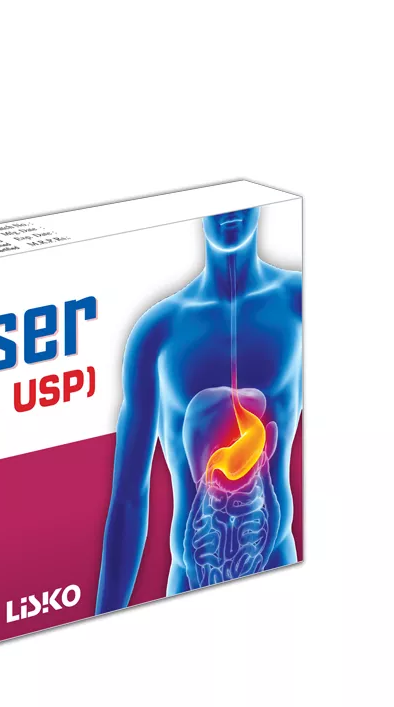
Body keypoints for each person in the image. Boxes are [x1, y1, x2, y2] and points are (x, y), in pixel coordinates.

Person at [95, 207, 302, 612]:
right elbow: (129, 496)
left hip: (278, 568)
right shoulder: (158, 331)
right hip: (188, 583)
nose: (229, 214)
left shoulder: (300, 302)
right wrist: (101, 622)